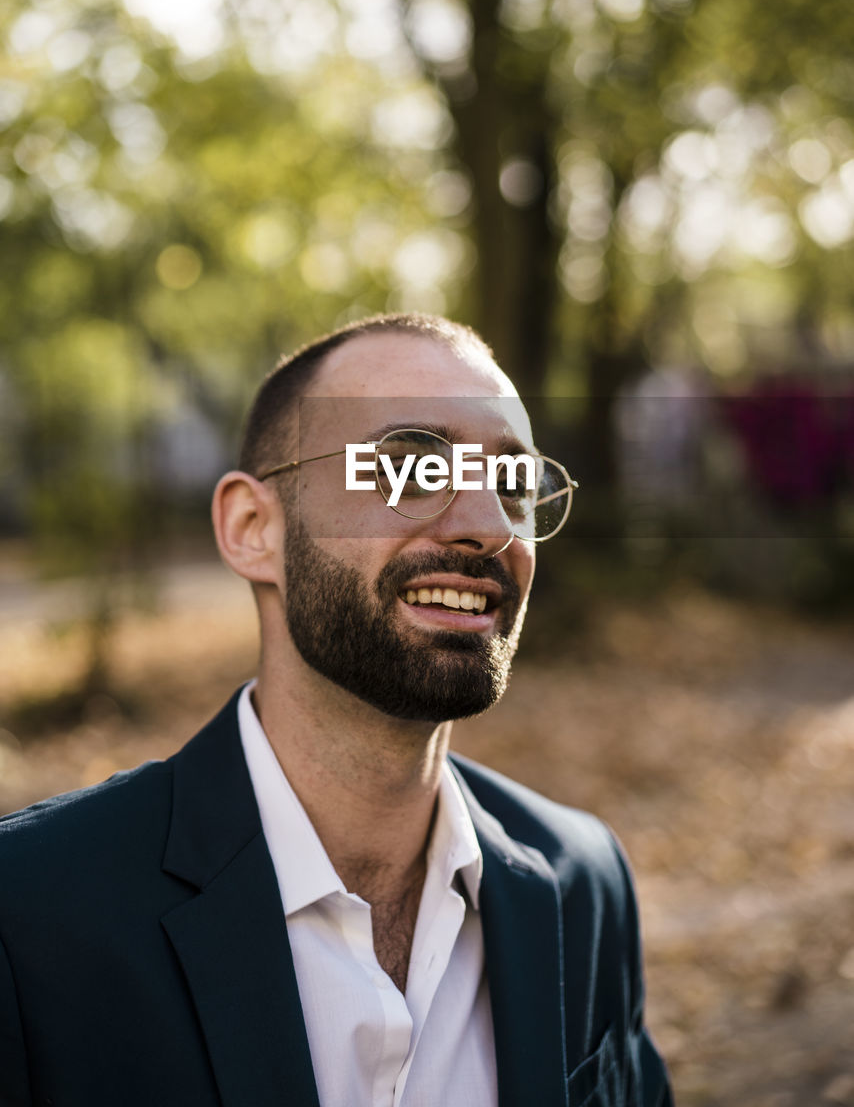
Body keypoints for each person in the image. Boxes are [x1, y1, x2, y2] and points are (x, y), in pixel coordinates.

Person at [0, 313, 672, 1107]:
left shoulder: (581, 883)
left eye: (513, 483)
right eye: (411, 466)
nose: (489, 526)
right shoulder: (29, 913)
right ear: (254, 529)